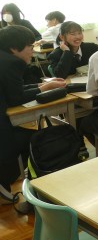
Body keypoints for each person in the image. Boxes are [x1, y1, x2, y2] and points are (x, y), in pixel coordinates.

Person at [0, 26, 65, 201]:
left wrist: (41, 85)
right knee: (37, 139)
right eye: (30, 46)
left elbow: (14, 89)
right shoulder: (11, 62)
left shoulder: (4, 59)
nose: (33, 50)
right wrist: (46, 87)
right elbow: (16, 98)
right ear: (14, 48)